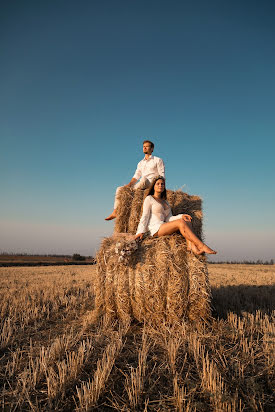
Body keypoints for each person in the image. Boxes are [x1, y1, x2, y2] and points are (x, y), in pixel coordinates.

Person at [135, 176, 217, 255]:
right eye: (158, 183)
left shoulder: (165, 202)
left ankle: (191, 246)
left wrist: (181, 216)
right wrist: (140, 231)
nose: (160, 185)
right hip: (154, 228)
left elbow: (169, 218)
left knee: (185, 220)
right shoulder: (149, 198)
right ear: (153, 186)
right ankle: (201, 245)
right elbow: (145, 216)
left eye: (162, 184)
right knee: (180, 223)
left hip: (163, 225)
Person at [105, 140, 165, 220]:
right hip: (142, 183)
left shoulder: (158, 160)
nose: (144, 148)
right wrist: (129, 185)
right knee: (119, 189)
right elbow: (136, 176)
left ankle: (131, 195)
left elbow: (162, 175)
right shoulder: (140, 163)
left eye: (147, 146)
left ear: (152, 149)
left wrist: (159, 187)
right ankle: (115, 211)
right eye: (143, 146)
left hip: (152, 183)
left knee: (143, 179)